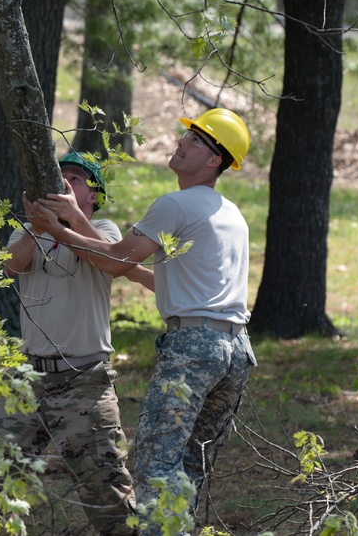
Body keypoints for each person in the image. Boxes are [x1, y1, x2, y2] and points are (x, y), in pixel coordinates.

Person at [25, 108, 256, 534]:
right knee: (190, 464)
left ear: (214, 161)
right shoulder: (229, 213)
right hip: (236, 351)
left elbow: (113, 262)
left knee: (156, 462)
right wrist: (78, 220)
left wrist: (55, 229)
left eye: (197, 141)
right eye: (187, 135)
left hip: (193, 350)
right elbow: (150, 275)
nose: (182, 143)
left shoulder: (174, 205)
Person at [0, 152, 150, 536]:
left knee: (106, 488)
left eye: (76, 180)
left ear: (92, 195)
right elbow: (9, 267)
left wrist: (68, 222)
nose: (64, 183)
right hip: (29, 378)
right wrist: (40, 225)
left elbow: (113, 261)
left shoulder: (103, 228)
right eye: (59, 177)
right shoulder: (26, 231)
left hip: (85, 378)